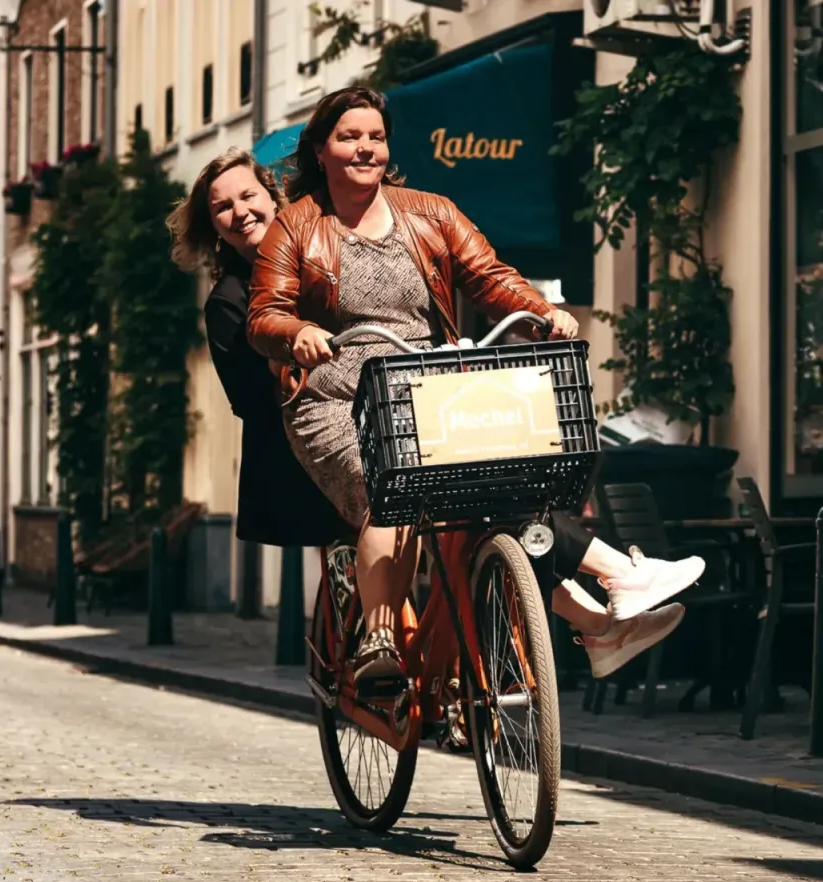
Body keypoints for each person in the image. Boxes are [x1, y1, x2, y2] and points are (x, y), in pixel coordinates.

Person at [246, 86, 700, 696]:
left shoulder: (429, 212)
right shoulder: (295, 226)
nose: (365, 149)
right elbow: (263, 315)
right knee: (391, 490)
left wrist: (539, 308)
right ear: (321, 150)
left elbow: (488, 275)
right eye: (349, 137)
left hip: (420, 388)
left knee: (502, 493)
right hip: (334, 397)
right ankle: (379, 643)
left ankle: (599, 618)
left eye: (375, 137)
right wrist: (297, 330)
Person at [166, 147, 349, 550]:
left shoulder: (323, 251)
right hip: (305, 458)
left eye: (248, 196)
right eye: (224, 207)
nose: (241, 212)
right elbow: (251, 401)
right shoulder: (227, 303)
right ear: (214, 226)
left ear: (272, 197)